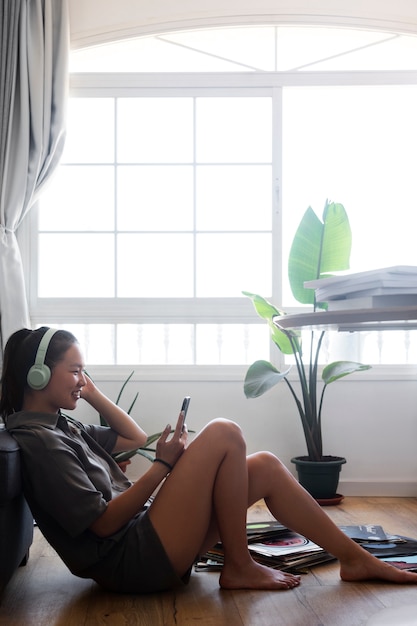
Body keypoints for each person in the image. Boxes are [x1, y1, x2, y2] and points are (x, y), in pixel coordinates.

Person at [1, 327, 417, 594]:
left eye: (84, 373)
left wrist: (89, 391)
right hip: (131, 561)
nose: (82, 381)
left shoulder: (61, 425)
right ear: (37, 376)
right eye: (74, 371)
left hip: (146, 539)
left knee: (266, 466)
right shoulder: (39, 440)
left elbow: (130, 437)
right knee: (223, 432)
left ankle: (354, 559)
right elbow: (105, 523)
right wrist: (164, 466)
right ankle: (239, 565)